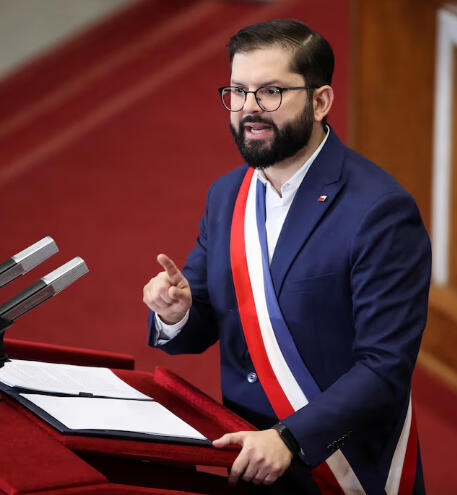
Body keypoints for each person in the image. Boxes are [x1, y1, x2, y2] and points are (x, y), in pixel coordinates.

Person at [142, 19, 430, 495]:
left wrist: (291, 438)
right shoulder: (226, 195)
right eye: (238, 91)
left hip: (343, 468)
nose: (249, 109)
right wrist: (177, 313)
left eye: (271, 92)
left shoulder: (380, 211)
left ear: (321, 102)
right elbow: (201, 321)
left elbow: (385, 367)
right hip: (248, 460)